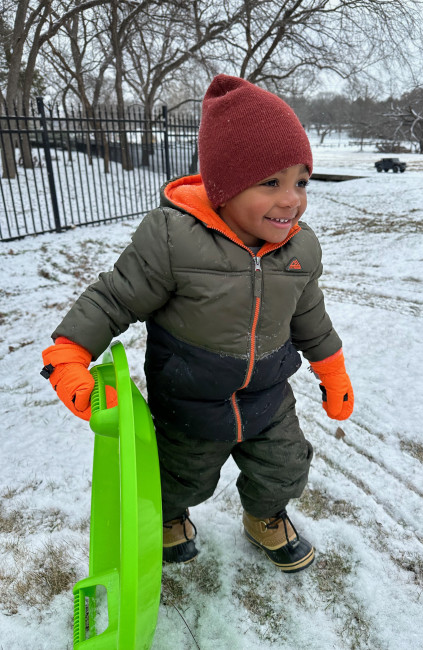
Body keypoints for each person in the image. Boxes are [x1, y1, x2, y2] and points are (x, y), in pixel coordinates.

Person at [41, 74, 354, 574]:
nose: (292, 199)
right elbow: (114, 296)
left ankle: (265, 516)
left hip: (268, 396)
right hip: (189, 397)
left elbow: (309, 314)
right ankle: (170, 516)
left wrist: (332, 371)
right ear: (225, 186)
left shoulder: (300, 248)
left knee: (286, 465)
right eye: (271, 182)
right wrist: (68, 353)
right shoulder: (173, 240)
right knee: (180, 476)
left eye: (301, 181)